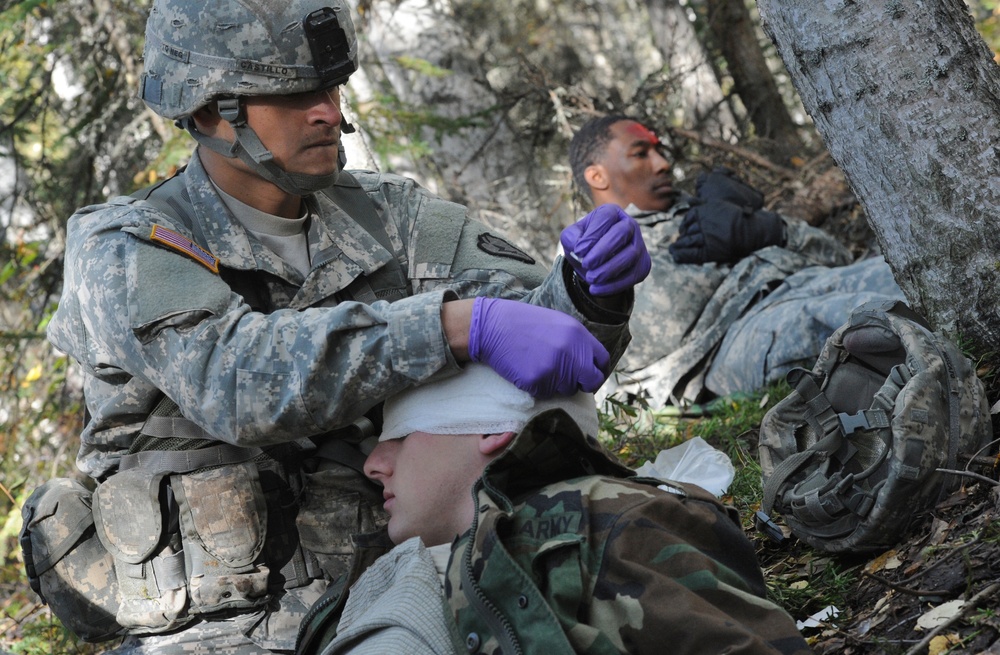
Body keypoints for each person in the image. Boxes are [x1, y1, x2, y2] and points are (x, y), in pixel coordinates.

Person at [37, 3, 651, 653]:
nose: (328, 109)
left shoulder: (390, 215)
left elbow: (541, 339)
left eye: (330, 86)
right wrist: (452, 327)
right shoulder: (124, 243)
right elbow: (239, 383)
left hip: (399, 585)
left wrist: (591, 288)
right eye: (296, 94)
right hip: (212, 632)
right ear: (211, 110)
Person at [294, 363, 813, 655]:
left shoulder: (595, 521)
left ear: (492, 431)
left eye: (400, 437)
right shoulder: (388, 573)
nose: (373, 465)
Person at [568, 114, 904, 407]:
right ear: (598, 176)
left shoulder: (699, 211)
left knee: (902, 277)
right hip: (721, 348)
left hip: (799, 284)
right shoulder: (588, 251)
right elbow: (637, 341)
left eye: (659, 150)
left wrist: (767, 229)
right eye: (641, 153)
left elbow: (838, 258)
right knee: (865, 316)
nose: (662, 163)